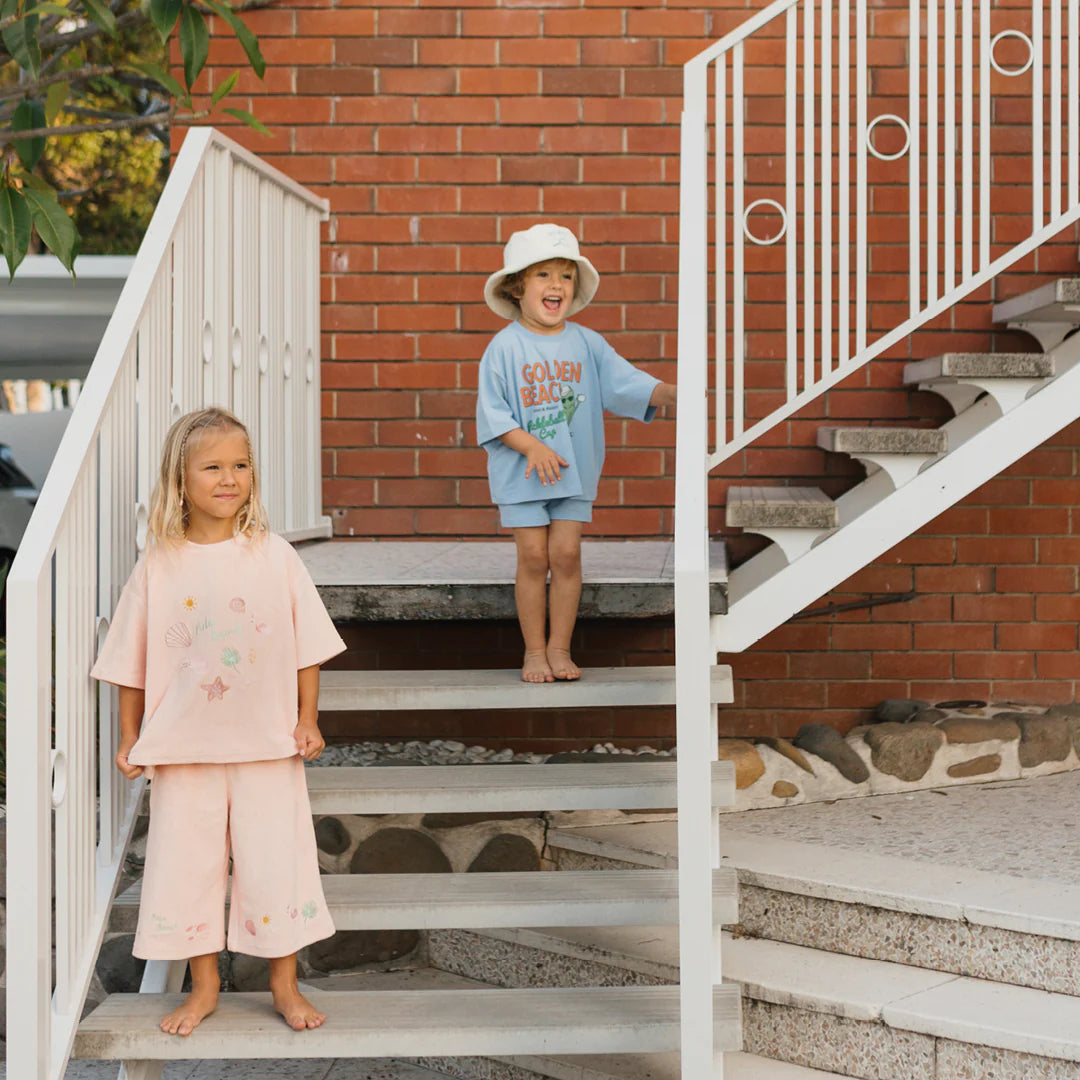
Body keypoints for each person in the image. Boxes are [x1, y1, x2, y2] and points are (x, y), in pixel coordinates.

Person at [91, 406, 345, 1037]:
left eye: (241, 464)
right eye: (212, 466)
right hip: (184, 749)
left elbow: (307, 644)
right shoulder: (160, 563)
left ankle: (284, 984)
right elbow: (132, 659)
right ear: (181, 480)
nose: (229, 478)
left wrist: (307, 719)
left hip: (267, 744)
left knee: (275, 862)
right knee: (187, 864)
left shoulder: (275, 555)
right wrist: (130, 736)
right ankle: (204, 987)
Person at [476, 223, 677, 684]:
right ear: (516, 287)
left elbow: (627, 383)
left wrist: (672, 393)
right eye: (543, 274)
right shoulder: (504, 348)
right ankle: (532, 652)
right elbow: (493, 414)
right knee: (533, 557)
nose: (556, 285)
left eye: (565, 276)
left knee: (565, 555)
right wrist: (531, 446)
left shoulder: (586, 343)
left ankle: (559, 647)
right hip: (521, 473)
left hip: (574, 471)